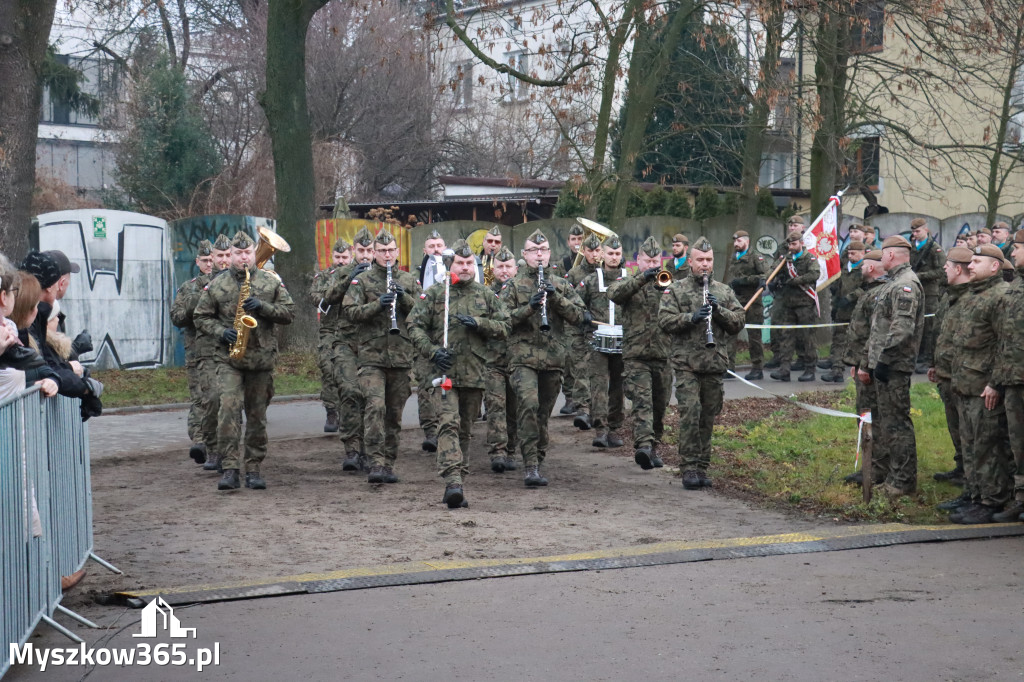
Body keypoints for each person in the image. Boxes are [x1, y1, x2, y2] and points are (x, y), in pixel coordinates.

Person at [408, 240, 510, 508]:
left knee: (465, 429)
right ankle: (453, 481)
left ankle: (458, 480)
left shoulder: (486, 296)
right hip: (443, 374)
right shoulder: (435, 294)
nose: (465, 268)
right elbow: (414, 326)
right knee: (448, 424)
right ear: (451, 266)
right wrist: (431, 351)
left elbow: (505, 326)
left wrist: (479, 323)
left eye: (469, 264)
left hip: (474, 374)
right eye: (460, 263)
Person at [193, 231, 295, 491]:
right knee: (227, 410)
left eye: (247, 253)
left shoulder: (271, 283)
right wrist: (221, 332)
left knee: (257, 417)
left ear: (253, 254)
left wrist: (262, 307)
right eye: (237, 254)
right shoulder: (216, 284)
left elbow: (288, 313)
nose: (242, 258)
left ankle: (254, 468)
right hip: (229, 359)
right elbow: (201, 317)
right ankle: (229, 468)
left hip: (261, 361)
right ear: (230, 257)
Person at [500, 228, 588, 487]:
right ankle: (530, 466)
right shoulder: (514, 285)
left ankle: (537, 457)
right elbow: (503, 320)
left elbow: (581, 316)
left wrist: (555, 298)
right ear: (524, 255)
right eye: (533, 251)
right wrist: (530, 307)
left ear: (550, 253)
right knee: (528, 404)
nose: (539, 255)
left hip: (553, 359)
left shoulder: (560, 283)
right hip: (522, 359)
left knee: (542, 414)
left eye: (544, 250)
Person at [659, 237, 745, 489]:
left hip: (714, 363)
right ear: (691, 261)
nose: (704, 265)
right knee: (690, 413)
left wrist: (719, 312)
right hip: (686, 363)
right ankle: (688, 467)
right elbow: (664, 320)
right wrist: (691, 317)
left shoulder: (723, 290)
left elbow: (738, 321)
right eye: (700, 260)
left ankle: (702, 466)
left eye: (708, 260)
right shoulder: (676, 289)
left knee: (708, 415)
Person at [342, 229, 422, 484]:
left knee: (394, 414)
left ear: (397, 252)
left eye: (391, 251)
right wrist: (378, 304)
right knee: (375, 407)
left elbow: (422, 314)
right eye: (382, 251)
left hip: (400, 357)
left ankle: (388, 463)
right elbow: (350, 313)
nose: (387, 255)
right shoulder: (362, 281)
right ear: (374, 253)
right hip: (371, 358)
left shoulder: (409, 280)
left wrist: (403, 298)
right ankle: (375, 462)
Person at [943, 244, 1013, 523]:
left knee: (987, 445)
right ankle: (974, 493)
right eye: (969, 261)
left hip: (984, 385)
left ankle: (991, 500)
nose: (969, 266)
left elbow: (1005, 344)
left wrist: (995, 382)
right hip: (965, 381)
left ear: (994, 266)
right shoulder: (974, 295)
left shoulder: (1000, 296)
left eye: (976, 261)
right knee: (971, 444)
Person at [866, 235, 925, 498]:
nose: (881, 259)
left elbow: (901, 329)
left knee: (897, 424)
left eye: (882, 254)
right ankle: (893, 475)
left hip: (894, 366)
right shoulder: (894, 283)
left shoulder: (905, 285)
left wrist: (884, 360)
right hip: (886, 365)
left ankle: (902, 482)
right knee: (889, 423)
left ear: (890, 255)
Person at [607, 236, 671, 469]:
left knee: (660, 404)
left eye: (656, 260)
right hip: (636, 355)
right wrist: (642, 279)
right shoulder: (627, 281)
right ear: (639, 260)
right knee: (642, 402)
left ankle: (654, 446)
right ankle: (643, 445)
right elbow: (615, 294)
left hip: (663, 354)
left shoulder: (667, 283)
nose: (652, 264)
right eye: (648, 260)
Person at [321, 227, 374, 472]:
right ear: (354, 250)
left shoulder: (384, 274)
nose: (365, 255)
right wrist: (351, 276)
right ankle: (352, 449)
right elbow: (326, 298)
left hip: (374, 345)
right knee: (350, 392)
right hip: (345, 343)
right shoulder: (341, 272)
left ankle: (372, 450)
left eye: (369, 251)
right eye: (361, 250)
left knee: (373, 399)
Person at [928, 247, 974, 499]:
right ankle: (961, 467)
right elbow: (941, 333)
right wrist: (935, 363)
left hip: (963, 375)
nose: (943, 269)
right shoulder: (949, 296)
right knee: (954, 425)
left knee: (968, 430)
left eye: (947, 265)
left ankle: (971, 476)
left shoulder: (970, 297)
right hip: (945, 372)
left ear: (958, 268)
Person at [841, 249, 887, 486]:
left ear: (871, 267)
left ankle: (877, 468)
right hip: (862, 363)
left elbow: (875, 334)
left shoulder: (880, 294)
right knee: (864, 416)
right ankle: (870, 465)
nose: (859, 269)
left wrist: (865, 366)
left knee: (871, 416)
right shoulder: (870, 293)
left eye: (863, 265)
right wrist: (855, 362)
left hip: (870, 367)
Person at [578, 237, 627, 448]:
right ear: (602, 254)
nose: (614, 257)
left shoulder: (628, 279)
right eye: (610, 253)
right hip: (597, 340)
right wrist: (584, 315)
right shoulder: (591, 280)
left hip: (622, 340)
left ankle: (614, 429)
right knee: (598, 385)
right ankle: (600, 428)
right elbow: (576, 302)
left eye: (617, 254)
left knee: (618, 385)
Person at [170, 240, 216, 463]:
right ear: (198, 262)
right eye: (205, 260)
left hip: (222, 352)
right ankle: (201, 442)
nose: (209, 264)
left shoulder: (225, 283)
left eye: (211, 259)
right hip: (196, 353)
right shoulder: (188, 288)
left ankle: (219, 445)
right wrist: (195, 302)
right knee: (200, 398)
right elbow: (176, 318)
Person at [992, 230, 1024, 522]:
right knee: (1018, 443)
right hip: (1013, 377)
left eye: (1017, 248)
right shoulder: (1016, 287)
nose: (1012, 254)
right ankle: (1020, 499)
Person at [309, 238, 352, 433]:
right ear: (332, 257)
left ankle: (347, 413)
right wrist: (328, 297)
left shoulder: (357, 275)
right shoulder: (324, 276)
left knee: (347, 374)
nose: (341, 261)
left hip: (349, 330)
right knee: (328, 370)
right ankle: (331, 411)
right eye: (338, 257)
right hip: (329, 330)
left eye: (344, 257)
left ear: (350, 257)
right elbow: (315, 296)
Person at [484, 247, 520, 472]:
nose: (504, 271)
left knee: (514, 408)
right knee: (496, 406)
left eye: (508, 267)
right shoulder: (484, 293)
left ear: (516, 269)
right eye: (500, 267)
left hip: (517, 360)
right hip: (493, 359)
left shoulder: (523, 291)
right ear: (493, 269)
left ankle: (511, 450)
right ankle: (497, 451)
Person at [768, 233, 820, 382]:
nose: (791, 247)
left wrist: (796, 280)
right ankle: (784, 369)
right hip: (787, 304)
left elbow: (815, 274)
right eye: (789, 245)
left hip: (805, 304)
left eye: (794, 244)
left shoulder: (809, 258)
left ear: (801, 243)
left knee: (807, 337)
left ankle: (810, 368)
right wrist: (768, 279)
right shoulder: (785, 259)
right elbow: (772, 269)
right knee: (786, 336)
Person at [413, 230, 447, 453]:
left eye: (439, 245)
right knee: (426, 386)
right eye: (431, 245)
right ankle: (431, 432)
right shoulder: (416, 277)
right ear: (424, 250)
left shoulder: (452, 273)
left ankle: (449, 428)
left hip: (448, 336)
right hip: (425, 337)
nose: (436, 249)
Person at [563, 233, 601, 424]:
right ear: (583, 251)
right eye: (590, 250)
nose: (594, 254)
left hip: (598, 329)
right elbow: (567, 299)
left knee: (597, 371)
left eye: (597, 250)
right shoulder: (574, 274)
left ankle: (597, 409)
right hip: (577, 328)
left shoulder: (607, 272)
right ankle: (583, 409)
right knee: (580, 368)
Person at [726, 230, 768, 380]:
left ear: (746, 241)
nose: (736, 244)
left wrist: (745, 281)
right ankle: (729, 367)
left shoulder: (756, 257)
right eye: (735, 241)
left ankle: (757, 368)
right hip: (736, 301)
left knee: (754, 337)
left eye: (739, 241)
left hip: (753, 302)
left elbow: (764, 276)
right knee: (730, 333)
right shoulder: (734, 257)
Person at [822, 240, 866, 383]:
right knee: (839, 341)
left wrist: (850, 297)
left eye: (854, 253)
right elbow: (838, 289)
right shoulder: (843, 268)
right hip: (842, 311)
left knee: (859, 342)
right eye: (849, 253)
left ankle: (862, 369)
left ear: (862, 253)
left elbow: (867, 287)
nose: (851, 256)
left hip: (859, 312)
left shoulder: (865, 268)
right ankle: (836, 371)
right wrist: (835, 305)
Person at [908, 217, 946, 374]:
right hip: (915, 291)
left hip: (930, 292)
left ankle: (927, 358)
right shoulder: (912, 248)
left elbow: (941, 272)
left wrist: (919, 275)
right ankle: (917, 355)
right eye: (914, 232)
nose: (915, 234)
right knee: (916, 325)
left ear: (926, 230)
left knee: (929, 326)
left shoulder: (934, 249)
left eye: (918, 231)